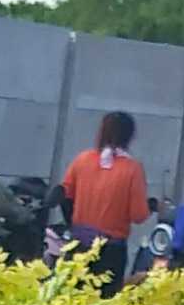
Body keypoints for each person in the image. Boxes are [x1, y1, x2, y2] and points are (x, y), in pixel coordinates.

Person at [60, 107, 151, 292]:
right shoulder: (132, 169)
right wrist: (150, 205)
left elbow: (65, 195)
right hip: (111, 251)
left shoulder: (82, 160)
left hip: (79, 245)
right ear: (129, 137)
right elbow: (138, 215)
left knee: (71, 301)